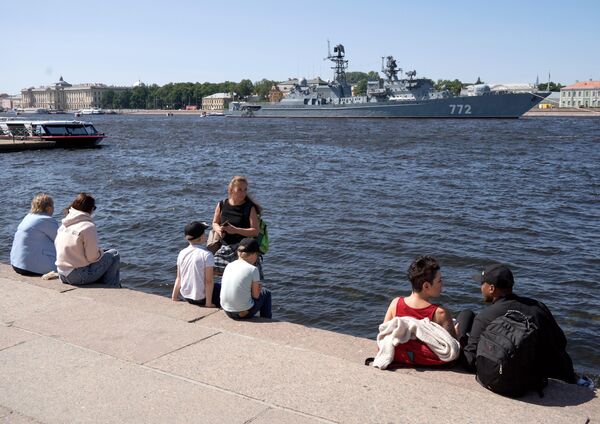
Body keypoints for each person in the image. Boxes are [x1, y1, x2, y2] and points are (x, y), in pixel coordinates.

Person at [456, 264, 577, 384]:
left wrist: (459, 338)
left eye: (482, 284)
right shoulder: (538, 306)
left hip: (523, 379)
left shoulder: (485, 317)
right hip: (559, 373)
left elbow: (470, 362)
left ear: (491, 288)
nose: (480, 287)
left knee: (466, 315)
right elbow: (561, 341)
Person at [382, 255, 457, 366]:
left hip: (403, 357)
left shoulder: (396, 303)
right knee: (466, 317)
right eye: (439, 281)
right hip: (427, 359)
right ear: (426, 286)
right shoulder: (440, 312)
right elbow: (453, 348)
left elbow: (384, 334)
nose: (442, 285)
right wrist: (456, 332)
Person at [54, 192, 121, 288]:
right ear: (90, 209)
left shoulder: (65, 223)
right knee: (114, 254)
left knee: (105, 252)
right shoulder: (88, 226)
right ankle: (111, 286)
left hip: (62, 274)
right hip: (78, 276)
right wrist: (100, 253)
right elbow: (92, 258)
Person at [211, 176, 262, 275]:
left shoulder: (249, 207)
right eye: (239, 189)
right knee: (209, 269)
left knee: (245, 277)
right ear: (231, 190)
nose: (243, 193)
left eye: (245, 190)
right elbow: (214, 223)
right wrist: (219, 230)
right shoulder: (222, 204)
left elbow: (255, 231)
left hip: (244, 249)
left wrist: (235, 230)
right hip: (225, 248)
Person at [220, 238, 272, 319]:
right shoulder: (253, 269)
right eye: (257, 255)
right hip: (243, 313)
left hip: (227, 311)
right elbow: (256, 296)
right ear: (253, 254)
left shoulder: (229, 265)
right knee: (266, 293)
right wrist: (259, 288)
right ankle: (267, 319)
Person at [172, 221, 220, 307]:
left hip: (186, 296)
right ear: (202, 237)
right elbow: (209, 281)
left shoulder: (182, 253)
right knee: (221, 287)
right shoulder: (207, 255)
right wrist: (208, 303)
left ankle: (174, 296)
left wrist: (174, 297)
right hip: (202, 299)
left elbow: (179, 278)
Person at [10, 193, 59, 276]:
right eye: (53, 206)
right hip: (32, 268)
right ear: (48, 208)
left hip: (16, 264)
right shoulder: (47, 220)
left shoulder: (28, 217)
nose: (54, 209)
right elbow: (61, 241)